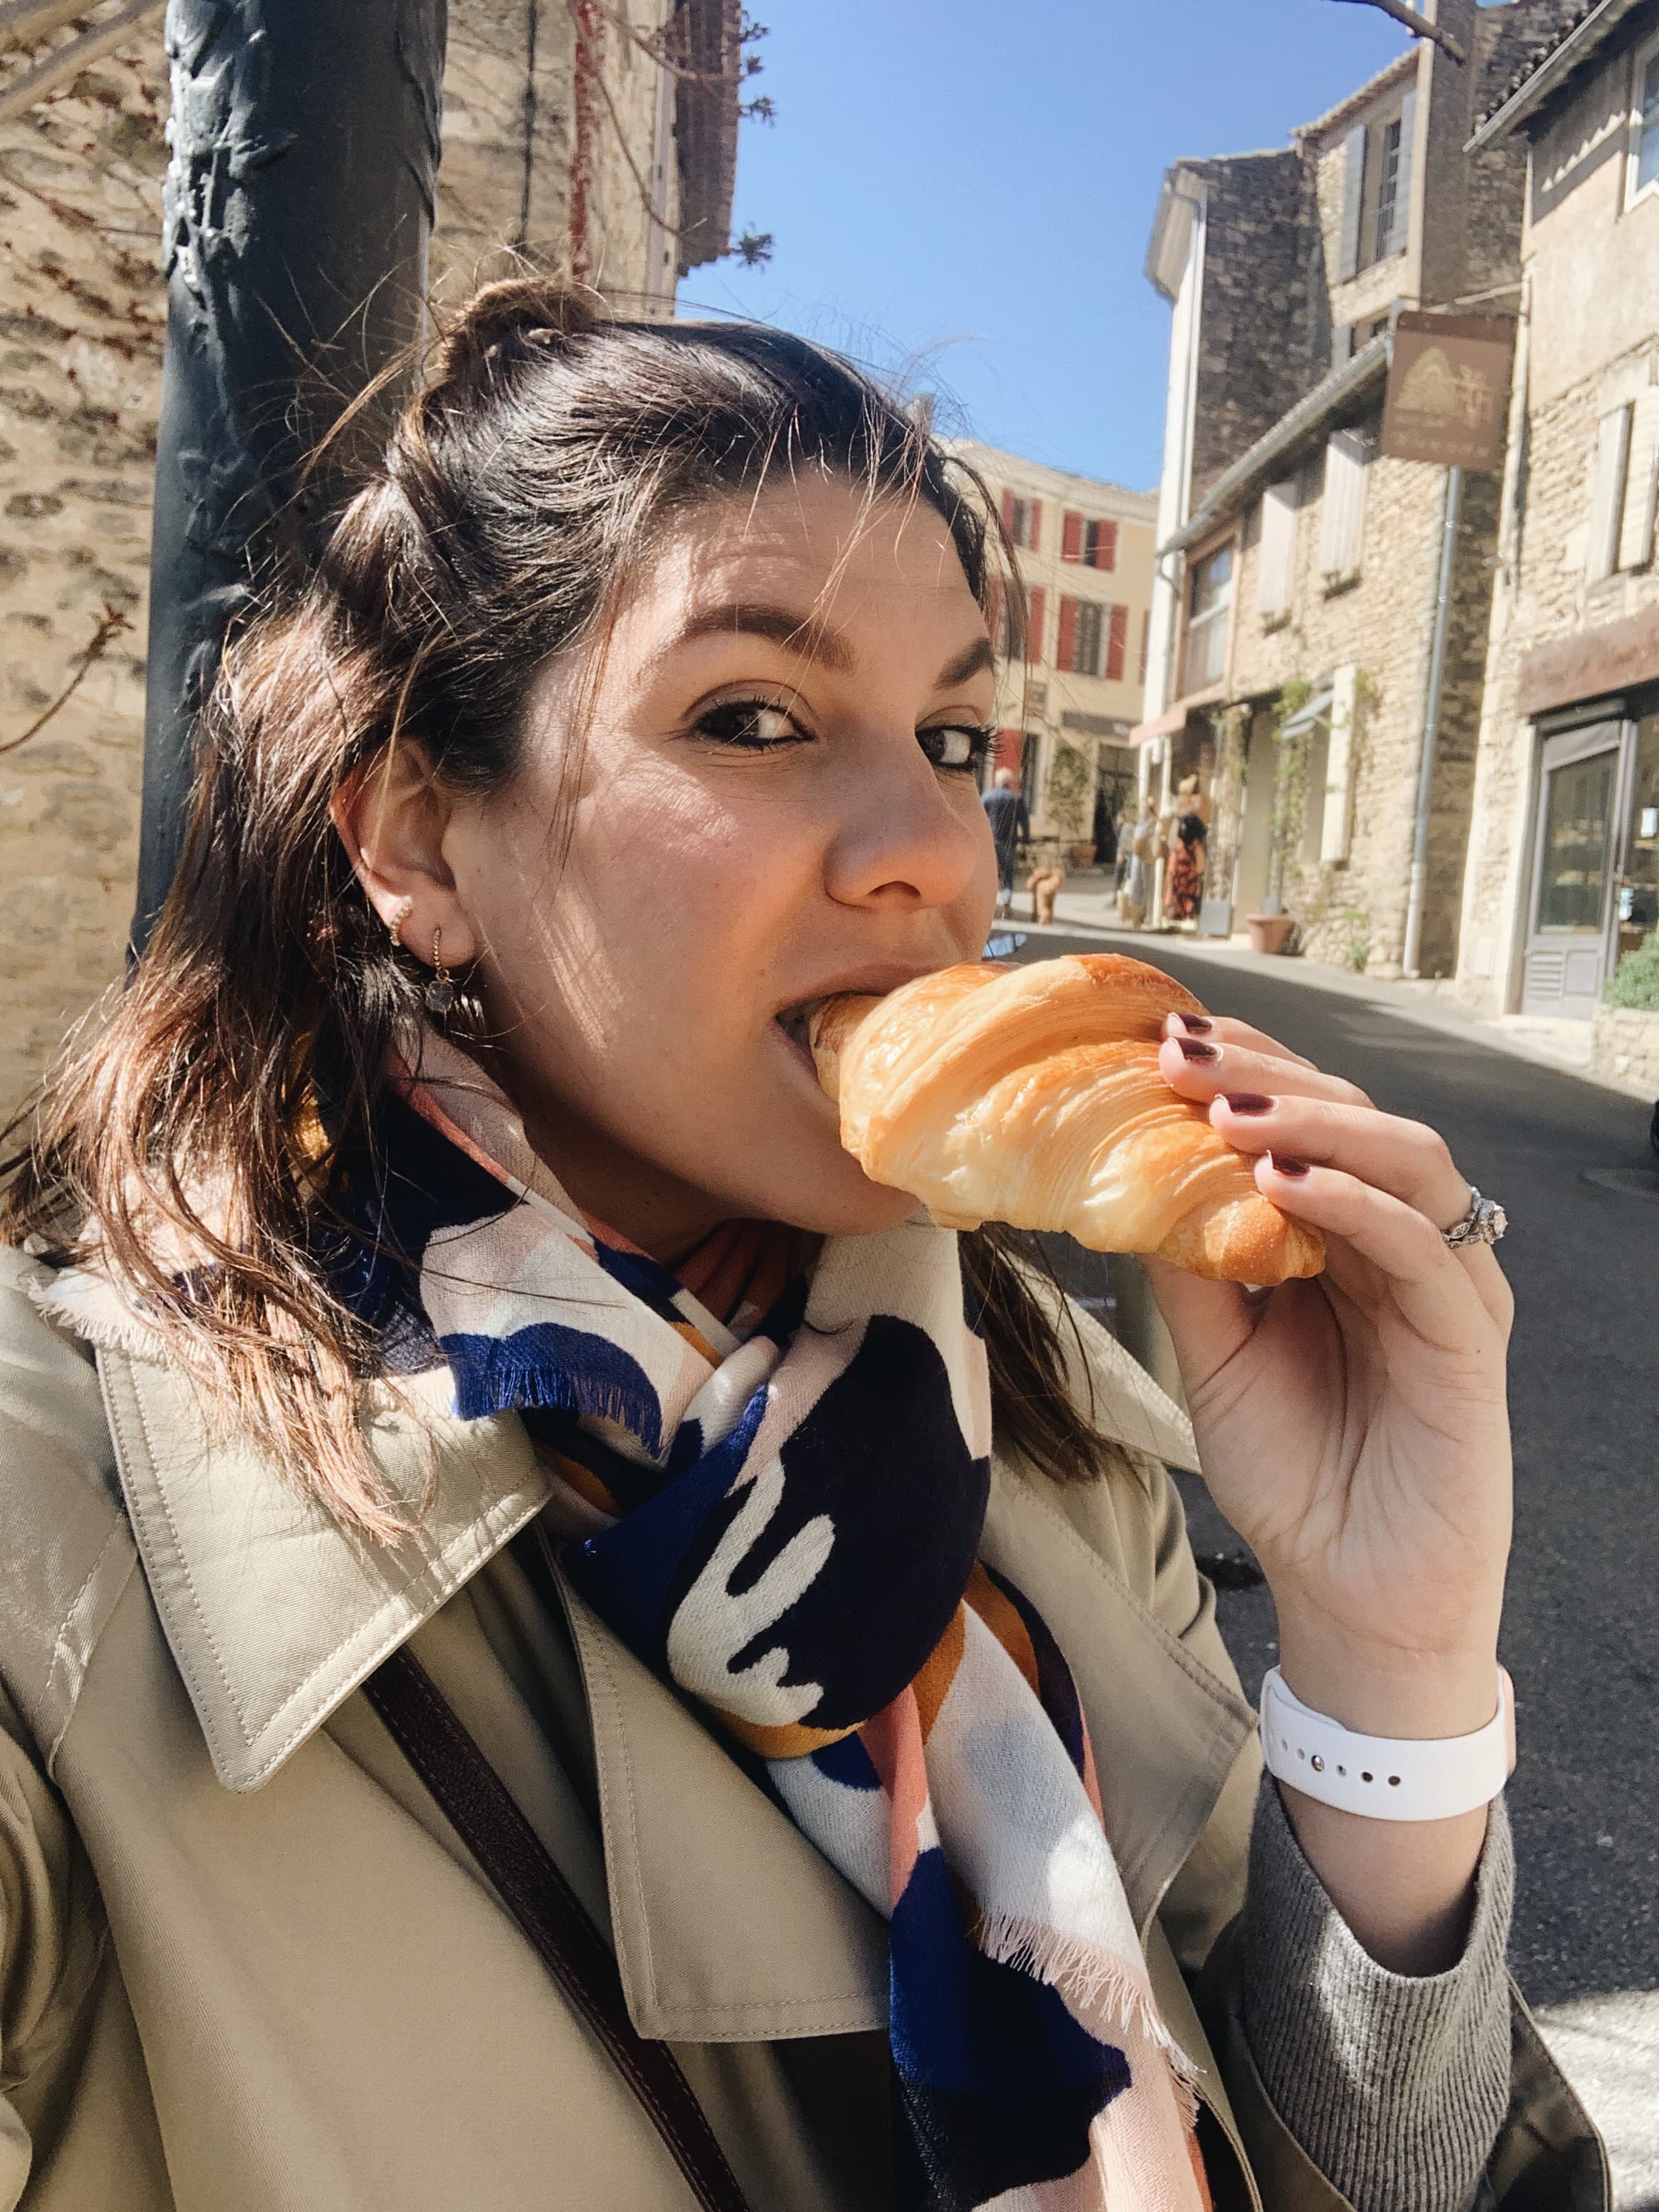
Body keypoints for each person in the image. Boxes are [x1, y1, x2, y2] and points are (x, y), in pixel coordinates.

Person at [0, 280, 1597, 2212]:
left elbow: (1377, 2172)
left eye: (949, 732)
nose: (926, 847)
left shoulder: (1046, 1432)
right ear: (419, 842)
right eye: (752, 717)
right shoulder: (59, 1522)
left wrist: (1388, 1671)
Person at [981, 764, 1028, 913]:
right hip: (1009, 841)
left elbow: (978, 817)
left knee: (988, 874)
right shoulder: (1016, 798)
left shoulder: (987, 796)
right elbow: (1024, 821)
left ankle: (986, 905)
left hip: (990, 841)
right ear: (1009, 782)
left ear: (996, 781)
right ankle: (1007, 904)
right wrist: (1026, 840)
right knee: (1008, 874)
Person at [1118, 799, 1158, 928]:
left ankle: (1144, 915)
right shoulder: (1141, 823)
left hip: (1147, 856)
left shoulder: (1153, 822)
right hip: (1137, 856)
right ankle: (1136, 916)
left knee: (1146, 884)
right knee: (1136, 883)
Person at [1165, 810, 1207, 925]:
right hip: (1190, 895)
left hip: (1176, 894)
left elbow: (1170, 872)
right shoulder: (1197, 849)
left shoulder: (1177, 847)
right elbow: (1200, 869)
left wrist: (1169, 893)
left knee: (1173, 923)